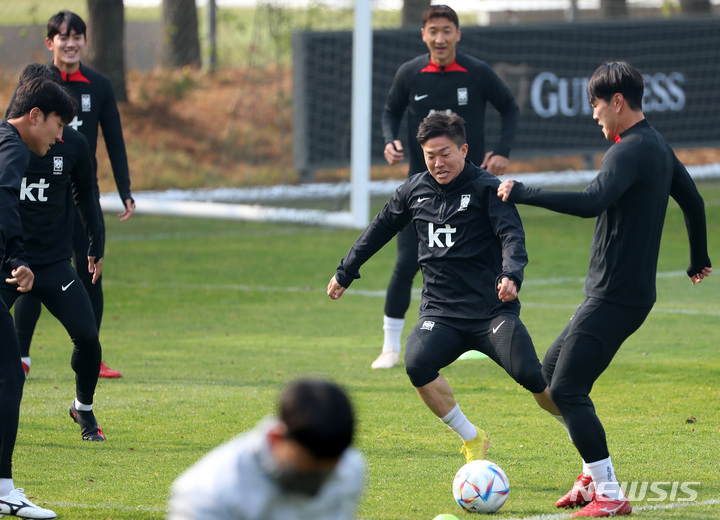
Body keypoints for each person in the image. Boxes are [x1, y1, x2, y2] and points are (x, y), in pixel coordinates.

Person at [497, 61, 712, 518]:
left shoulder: (627, 150)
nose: (593, 115)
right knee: (550, 376)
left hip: (617, 295)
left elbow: (592, 202)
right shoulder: (656, 144)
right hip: (616, 293)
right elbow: (692, 201)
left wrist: (522, 192)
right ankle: (592, 477)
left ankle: (611, 495)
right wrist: (698, 257)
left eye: (595, 105)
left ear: (616, 102)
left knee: (568, 389)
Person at [328, 112, 560, 465]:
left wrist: (511, 274)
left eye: (445, 153)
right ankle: (472, 438)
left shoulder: (488, 188)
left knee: (532, 376)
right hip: (440, 314)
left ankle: (582, 439)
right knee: (417, 363)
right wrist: (346, 271)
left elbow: (511, 235)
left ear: (464, 149)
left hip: (491, 312)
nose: (438, 163)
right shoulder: (413, 190)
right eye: (430, 155)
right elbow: (379, 229)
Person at [374, 4, 519, 369]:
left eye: (446, 31)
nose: (440, 38)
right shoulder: (409, 74)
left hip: (473, 189)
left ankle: (477, 335)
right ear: (423, 35)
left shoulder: (477, 72)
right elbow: (390, 110)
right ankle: (390, 346)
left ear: (457, 33)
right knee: (407, 261)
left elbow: (510, 107)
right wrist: (390, 140)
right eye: (433, 31)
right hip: (421, 190)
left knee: (477, 259)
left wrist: (502, 152)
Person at [10, 9, 135, 379]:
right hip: (38, 194)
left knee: (89, 268)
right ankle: (20, 354)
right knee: (32, 265)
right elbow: (9, 136)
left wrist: (125, 188)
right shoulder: (31, 87)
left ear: (85, 41)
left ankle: (92, 354)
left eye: (77, 36)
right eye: (63, 36)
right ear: (51, 43)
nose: (71, 42)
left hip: (79, 191)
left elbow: (114, 138)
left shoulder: (99, 85)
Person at [3, 63, 106, 444]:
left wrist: (96, 242)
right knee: (10, 358)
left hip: (51, 264)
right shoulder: (9, 144)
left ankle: (83, 406)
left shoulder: (72, 145)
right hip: (10, 265)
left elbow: (86, 194)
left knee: (88, 338)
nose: (59, 132)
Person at [0, 76, 76, 520]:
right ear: (35, 117)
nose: (60, 135)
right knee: (9, 373)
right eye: (56, 125)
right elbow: (5, 198)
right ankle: (4, 488)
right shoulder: (12, 147)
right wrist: (17, 257)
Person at [167, 378, 365, 520]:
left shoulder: (350, 468)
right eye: (306, 471)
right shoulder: (209, 494)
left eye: (328, 472)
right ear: (276, 437)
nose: (317, 486)